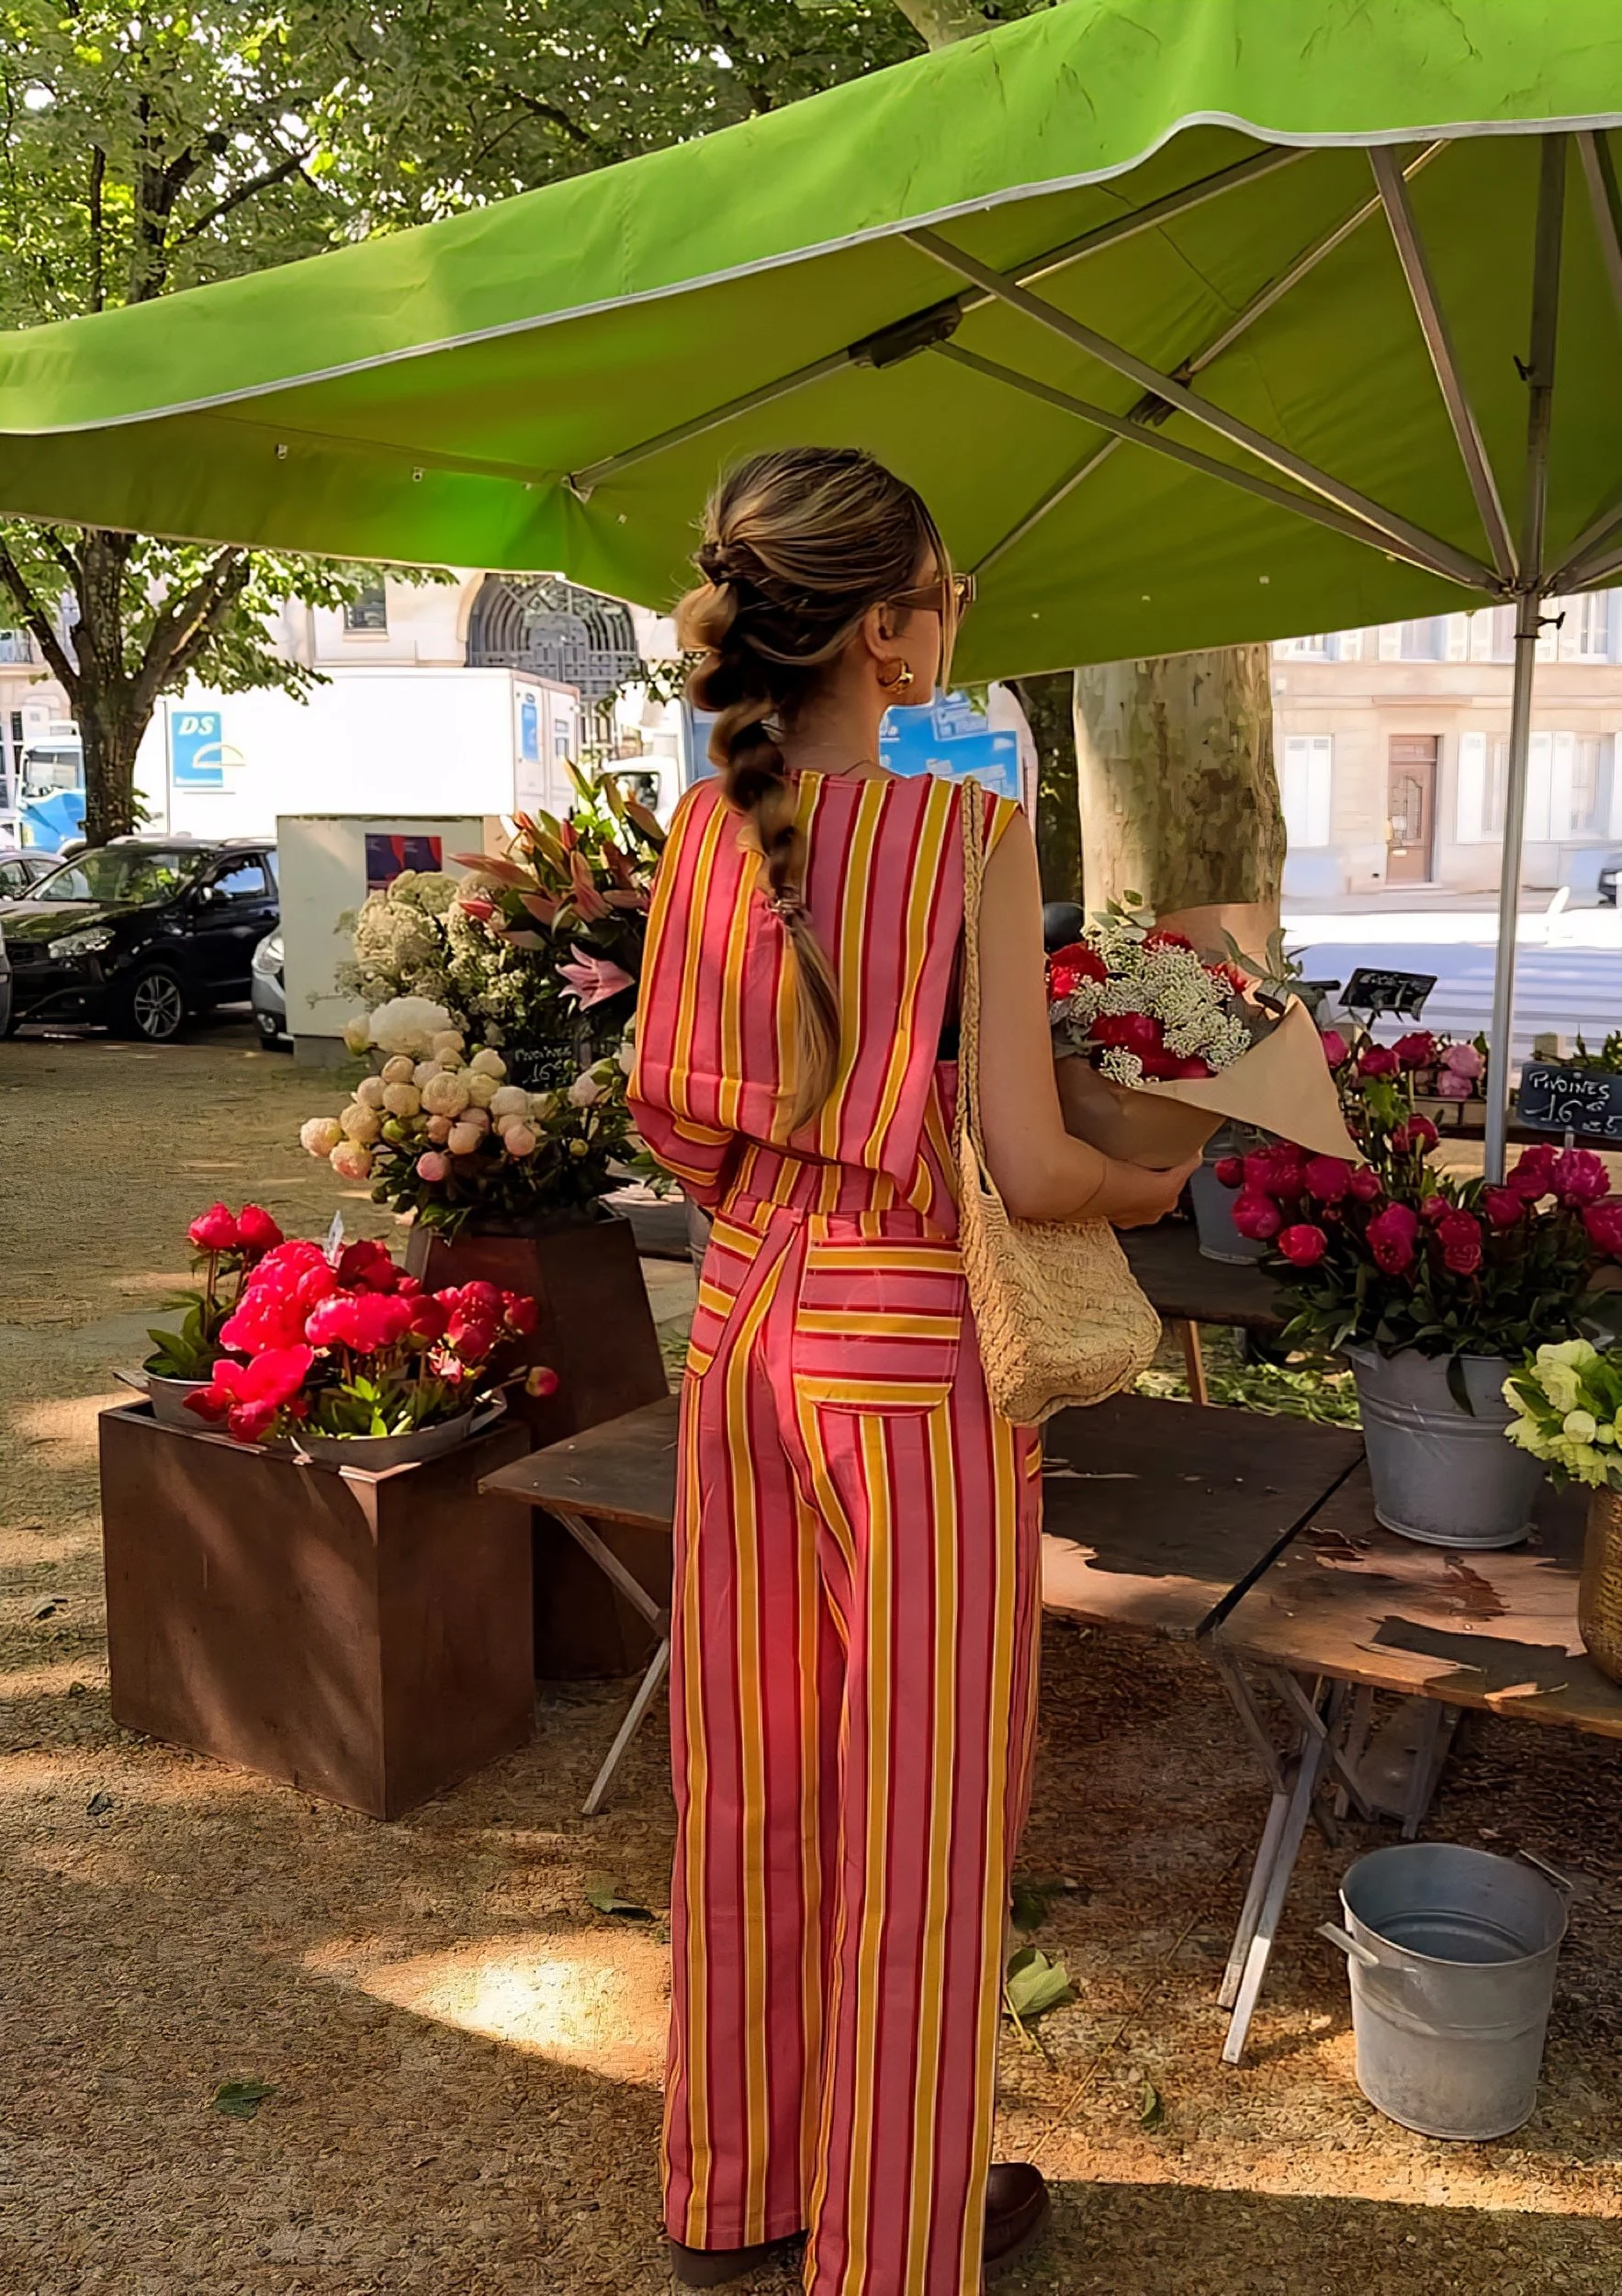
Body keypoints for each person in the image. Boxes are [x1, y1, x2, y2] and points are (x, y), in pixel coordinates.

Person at [630, 447, 1195, 2296]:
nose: (959, 624)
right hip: (895, 1347)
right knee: (923, 1811)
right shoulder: (968, 830)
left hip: (733, 1330)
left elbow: (697, 1133)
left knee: (748, 1772)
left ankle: (732, 2184)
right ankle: (887, 2237)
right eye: (950, 595)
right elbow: (1033, 1173)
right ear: (888, 631)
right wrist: (1163, 1172)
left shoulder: (706, 821)